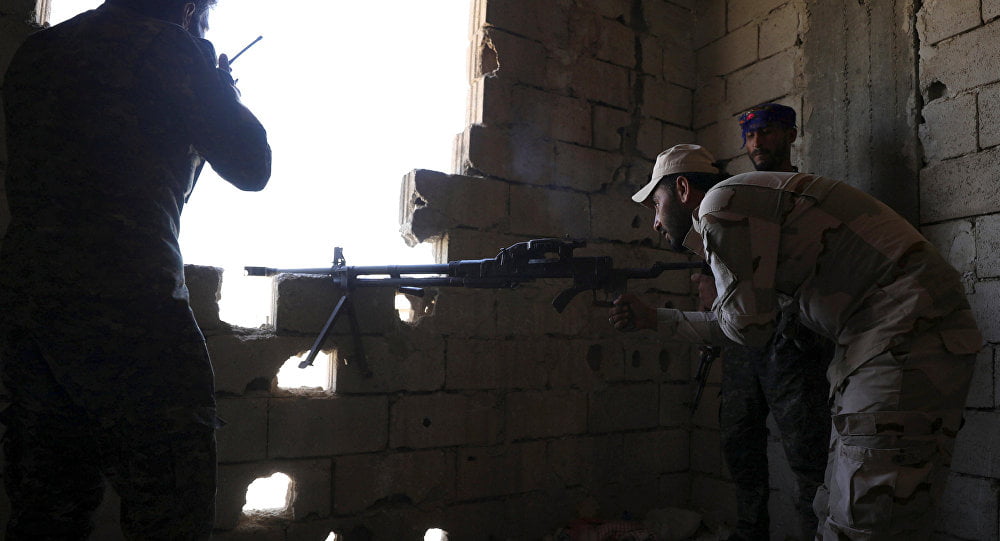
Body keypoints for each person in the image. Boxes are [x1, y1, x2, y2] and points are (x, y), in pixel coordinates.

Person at [610, 144, 980, 539]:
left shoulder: (718, 205)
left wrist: (703, 306)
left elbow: (749, 329)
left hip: (903, 333)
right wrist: (659, 318)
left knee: (862, 522)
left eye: (656, 204)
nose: (655, 222)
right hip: (883, 338)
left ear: (683, 189)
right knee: (837, 506)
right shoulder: (749, 212)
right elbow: (752, 323)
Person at [0, 0, 271, 538]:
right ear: (189, 9)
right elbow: (252, 165)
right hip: (130, 307)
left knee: (46, 514)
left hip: (29, 310)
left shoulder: (40, 51)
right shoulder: (172, 49)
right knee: (171, 512)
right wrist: (220, 89)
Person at [696, 104, 832, 539]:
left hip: (793, 340)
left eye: (767, 132)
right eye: (751, 136)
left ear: (791, 135)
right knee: (739, 443)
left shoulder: (808, 194)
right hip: (743, 340)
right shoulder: (736, 195)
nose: (757, 143)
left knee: (807, 454)